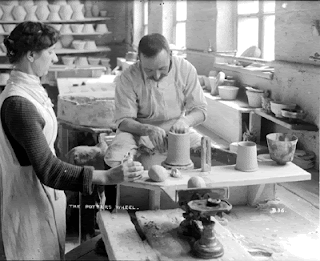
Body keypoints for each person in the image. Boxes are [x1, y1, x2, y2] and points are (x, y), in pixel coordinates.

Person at [0, 21, 143, 260]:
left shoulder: (31, 90)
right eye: (50, 52)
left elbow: (41, 150)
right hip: (25, 203)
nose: (54, 58)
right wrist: (106, 176)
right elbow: (48, 170)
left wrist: (82, 154)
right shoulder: (19, 104)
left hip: (40, 195)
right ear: (32, 54)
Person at [104, 33, 208, 168]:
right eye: (149, 70)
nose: (157, 75)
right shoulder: (128, 77)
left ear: (170, 55)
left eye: (162, 68)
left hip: (176, 129)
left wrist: (185, 121)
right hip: (139, 131)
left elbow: (201, 110)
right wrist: (147, 129)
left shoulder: (185, 69)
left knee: (207, 153)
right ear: (139, 60)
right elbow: (123, 121)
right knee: (114, 159)